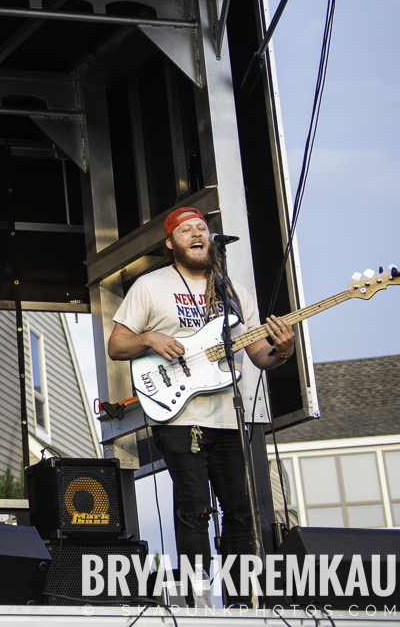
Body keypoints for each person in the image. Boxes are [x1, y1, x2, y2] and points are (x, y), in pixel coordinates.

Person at [107, 207, 295, 595]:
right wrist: (149, 339)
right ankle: (197, 599)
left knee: (241, 512)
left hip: (228, 417)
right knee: (194, 509)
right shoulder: (150, 286)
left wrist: (283, 352)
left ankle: (242, 602)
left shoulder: (233, 290)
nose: (197, 234)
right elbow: (117, 345)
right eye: (187, 229)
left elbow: (259, 354)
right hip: (177, 415)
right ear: (171, 243)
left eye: (203, 229)